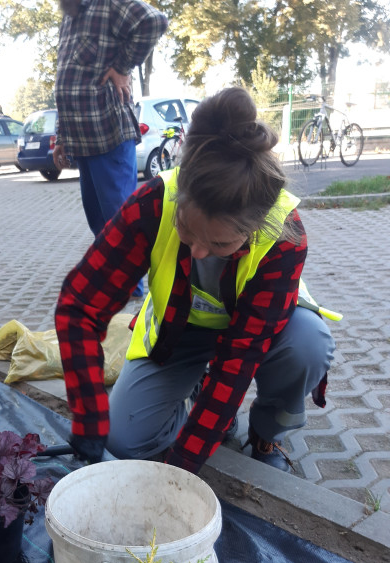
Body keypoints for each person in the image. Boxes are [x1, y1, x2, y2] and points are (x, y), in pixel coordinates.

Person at [55, 87, 337, 475]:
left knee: (309, 345)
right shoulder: (152, 203)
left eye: (220, 242)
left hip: (264, 334)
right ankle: (194, 392)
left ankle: (265, 432)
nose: (199, 252)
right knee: (121, 442)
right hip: (179, 330)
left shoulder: (283, 234)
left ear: (253, 227)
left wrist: (182, 468)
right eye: (186, 230)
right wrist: (88, 420)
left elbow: (239, 360)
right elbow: (79, 306)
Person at [53, 0, 168, 296]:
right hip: (82, 138)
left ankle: (133, 289)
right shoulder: (71, 16)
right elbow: (67, 79)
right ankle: (115, 280)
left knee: (121, 217)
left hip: (109, 133)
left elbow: (153, 21)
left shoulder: (109, 4)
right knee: (99, 219)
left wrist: (121, 67)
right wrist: (61, 136)